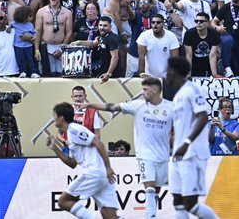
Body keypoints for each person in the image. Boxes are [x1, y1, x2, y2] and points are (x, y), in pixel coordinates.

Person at [84, 77, 173, 219]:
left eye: (145, 89)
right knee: (149, 189)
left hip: (163, 156)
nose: (142, 92)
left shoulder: (171, 108)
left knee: (156, 192)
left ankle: (152, 214)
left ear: (155, 90)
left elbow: (178, 129)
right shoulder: (138, 106)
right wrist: (90, 105)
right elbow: (112, 106)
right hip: (145, 155)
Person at [46, 102, 120, 219]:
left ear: (61, 118)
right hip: (103, 176)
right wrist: (55, 148)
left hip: (94, 173)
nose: (53, 119)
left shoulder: (74, 129)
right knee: (111, 217)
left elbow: (98, 143)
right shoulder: (70, 135)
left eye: (54, 115)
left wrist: (108, 167)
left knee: (63, 201)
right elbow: (72, 163)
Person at [166, 57, 219, 219]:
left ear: (173, 71)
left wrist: (187, 143)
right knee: (178, 201)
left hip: (192, 153)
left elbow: (203, 116)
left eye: (167, 71)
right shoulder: (177, 96)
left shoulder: (192, 89)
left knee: (190, 203)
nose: (165, 74)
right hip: (178, 154)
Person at [137, 13, 180, 78]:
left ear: (163, 24)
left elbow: (175, 59)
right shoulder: (144, 36)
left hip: (166, 76)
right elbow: (141, 57)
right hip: (149, 76)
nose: (155, 24)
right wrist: (142, 74)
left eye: (158, 22)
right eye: (153, 22)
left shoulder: (171, 36)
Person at [184, 12, 221, 77]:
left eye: (201, 21)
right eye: (196, 21)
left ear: (207, 23)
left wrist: (214, 74)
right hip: (194, 66)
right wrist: (188, 74)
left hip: (208, 66)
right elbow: (189, 55)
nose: (198, 23)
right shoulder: (188, 34)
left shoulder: (214, 34)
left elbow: (212, 55)